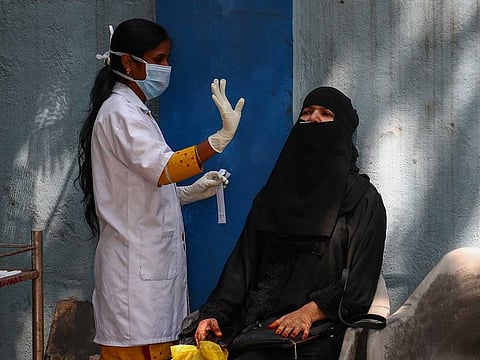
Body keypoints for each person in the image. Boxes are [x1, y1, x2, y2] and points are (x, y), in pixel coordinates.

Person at [76, 18, 245, 360]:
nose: (167, 67)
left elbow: (136, 191)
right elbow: (164, 168)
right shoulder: (121, 113)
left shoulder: (137, 112)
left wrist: (188, 193)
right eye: (160, 58)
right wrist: (219, 140)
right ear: (129, 62)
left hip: (146, 287)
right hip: (134, 292)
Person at [193, 87, 386, 359]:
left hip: (318, 333)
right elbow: (242, 265)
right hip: (258, 329)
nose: (314, 119)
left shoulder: (360, 200)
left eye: (325, 114)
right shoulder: (272, 195)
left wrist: (310, 312)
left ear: (342, 129)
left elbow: (360, 282)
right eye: (306, 113)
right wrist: (216, 312)